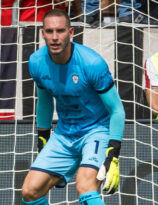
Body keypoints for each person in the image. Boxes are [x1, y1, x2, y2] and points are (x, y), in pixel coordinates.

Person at [22, 9, 125, 204]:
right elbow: (44, 100)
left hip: (95, 131)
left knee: (84, 187)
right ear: (42, 33)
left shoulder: (92, 63)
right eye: (49, 31)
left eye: (60, 31)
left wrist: (113, 154)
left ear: (71, 33)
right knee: (30, 191)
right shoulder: (36, 61)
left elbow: (117, 110)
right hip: (64, 133)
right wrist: (43, 136)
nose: (54, 37)